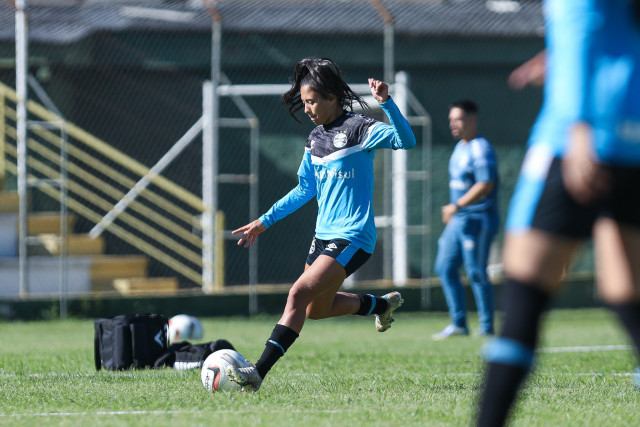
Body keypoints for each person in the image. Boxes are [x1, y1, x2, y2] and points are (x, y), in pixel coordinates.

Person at [477, 1, 640, 425]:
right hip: (632, 141)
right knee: (628, 293)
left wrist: (579, 120)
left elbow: (581, 22)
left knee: (525, 294)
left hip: (575, 141)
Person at [227, 57, 416, 391]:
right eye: (304, 103)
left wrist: (386, 103)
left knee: (297, 293)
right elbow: (305, 189)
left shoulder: (360, 128)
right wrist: (264, 221)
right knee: (315, 309)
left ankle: (257, 373)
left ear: (331, 97)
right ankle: (382, 305)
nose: (308, 108)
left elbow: (405, 141)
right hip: (323, 237)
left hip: (354, 236)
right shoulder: (315, 138)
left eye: (312, 101)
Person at [432, 100, 500, 340]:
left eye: (458, 119)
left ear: (472, 119)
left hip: (478, 220)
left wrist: (456, 205)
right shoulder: (460, 147)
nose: (453, 124)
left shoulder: (481, 148)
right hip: (458, 221)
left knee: (476, 272)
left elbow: (485, 184)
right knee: (444, 267)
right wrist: (455, 212)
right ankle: (459, 324)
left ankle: (487, 328)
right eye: (451, 120)